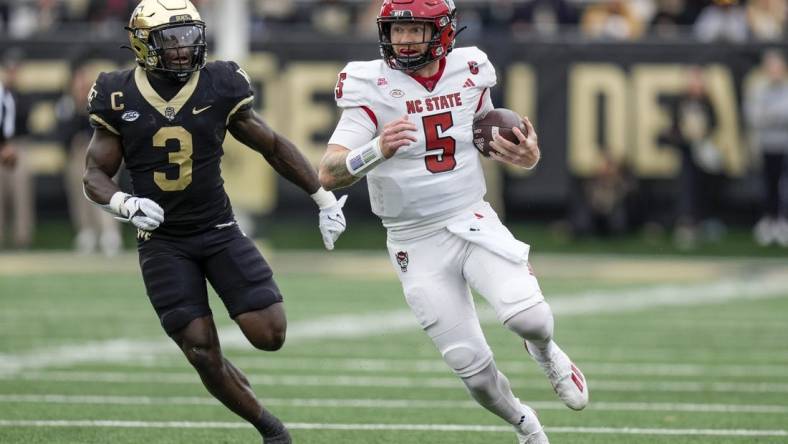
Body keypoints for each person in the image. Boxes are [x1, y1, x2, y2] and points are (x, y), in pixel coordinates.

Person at [318, 1, 588, 443]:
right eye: (396, 30)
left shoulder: (472, 68)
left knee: (532, 319)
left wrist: (526, 155)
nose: (402, 40)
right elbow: (328, 171)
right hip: (413, 240)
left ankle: (545, 353)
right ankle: (526, 425)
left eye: (414, 30)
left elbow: (485, 132)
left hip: (470, 216)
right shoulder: (369, 84)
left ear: (443, 31)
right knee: (472, 369)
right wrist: (376, 151)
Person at [82, 1, 347, 442]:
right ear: (143, 44)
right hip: (162, 240)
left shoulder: (220, 83)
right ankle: (271, 429)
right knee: (202, 351)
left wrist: (322, 198)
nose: (184, 49)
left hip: (217, 228)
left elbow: (273, 145)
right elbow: (94, 173)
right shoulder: (116, 92)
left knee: (270, 333)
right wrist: (125, 203)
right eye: (171, 40)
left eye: (189, 37)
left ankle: (228, 375)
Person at [57, 60, 122, 256]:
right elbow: (62, 135)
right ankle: (87, 232)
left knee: (105, 190)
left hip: (102, 154)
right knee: (79, 194)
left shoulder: (98, 101)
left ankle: (109, 234)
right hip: (77, 155)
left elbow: (106, 129)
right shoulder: (66, 105)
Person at [745, 50, 788, 247]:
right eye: (771, 68)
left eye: (777, 67)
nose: (774, 72)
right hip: (767, 145)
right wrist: (775, 116)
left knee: (783, 186)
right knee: (768, 185)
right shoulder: (760, 91)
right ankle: (769, 220)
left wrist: (770, 116)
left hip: (784, 145)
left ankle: (782, 220)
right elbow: (754, 117)